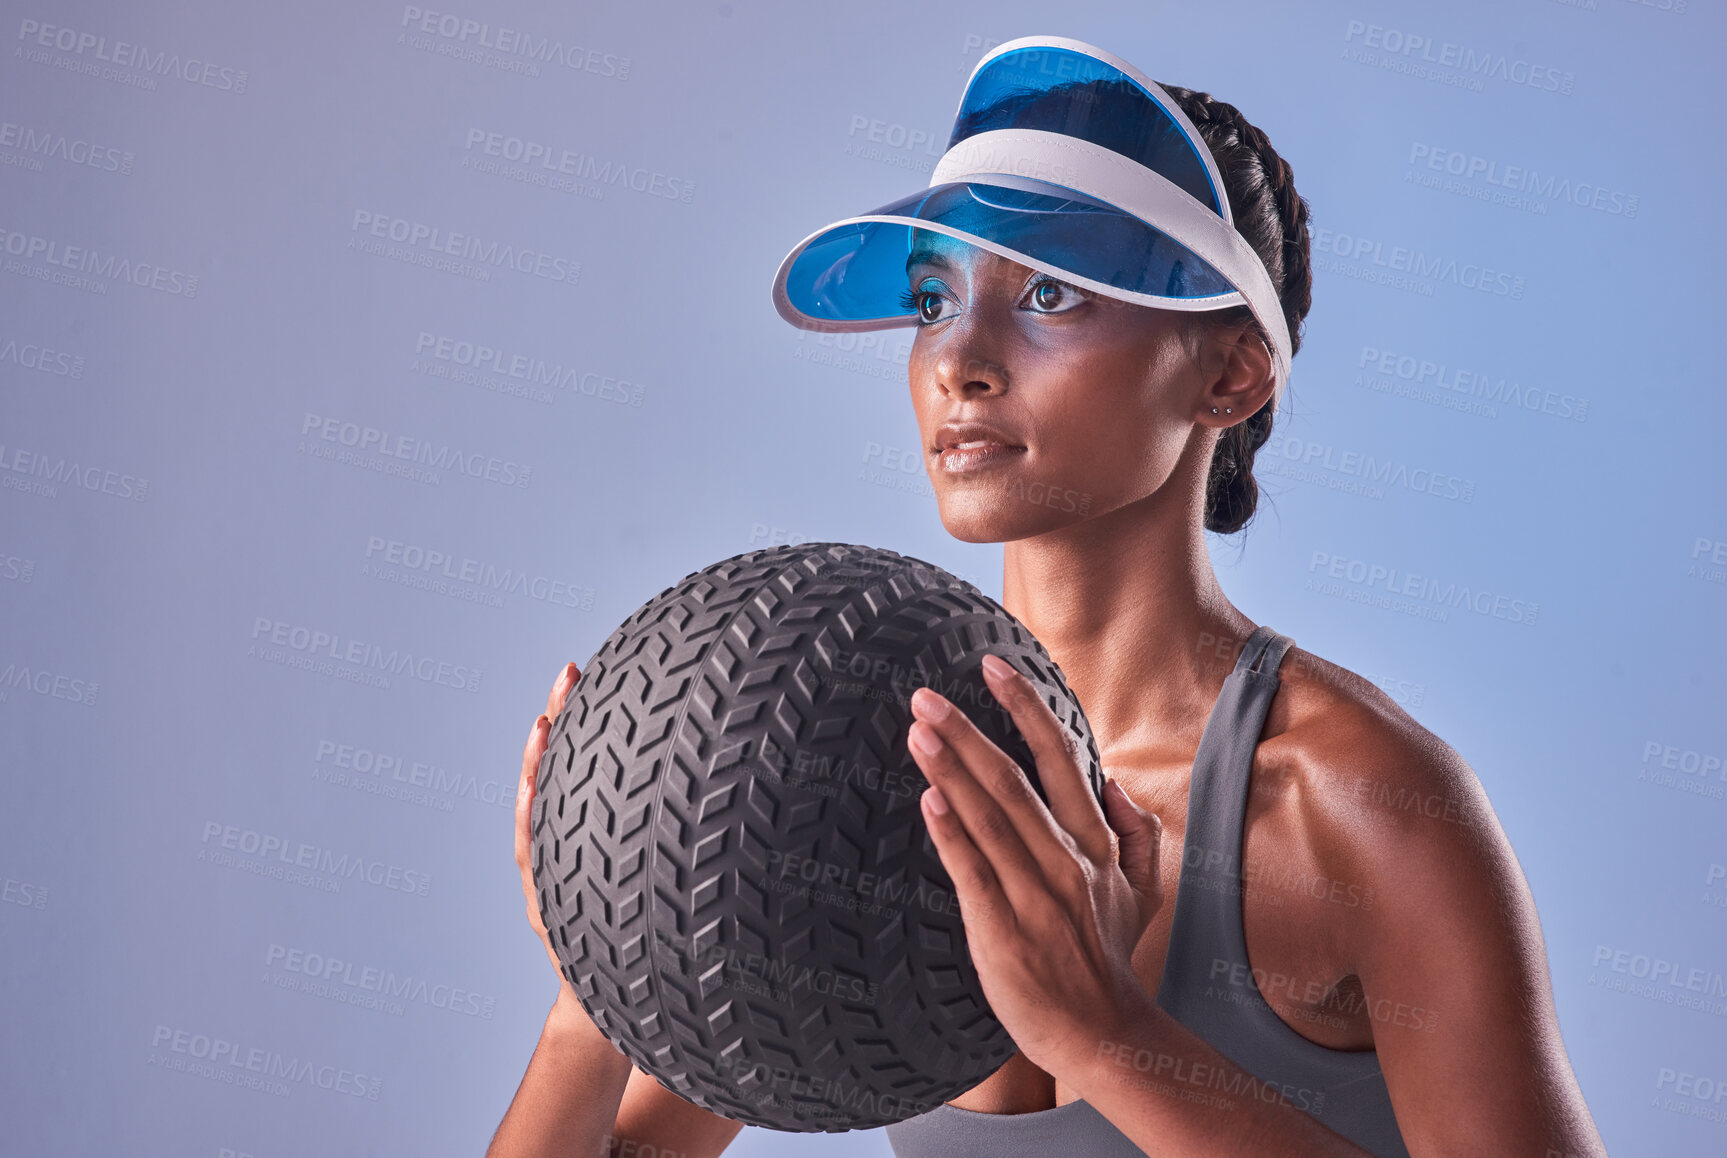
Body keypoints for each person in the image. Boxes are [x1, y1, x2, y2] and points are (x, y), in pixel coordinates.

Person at [489, 36, 1607, 1158]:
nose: (956, 360)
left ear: (1228, 372)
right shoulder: (848, 758)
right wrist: (601, 992)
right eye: (933, 298)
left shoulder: (1361, 809)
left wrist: (1105, 1036)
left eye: (1049, 292)